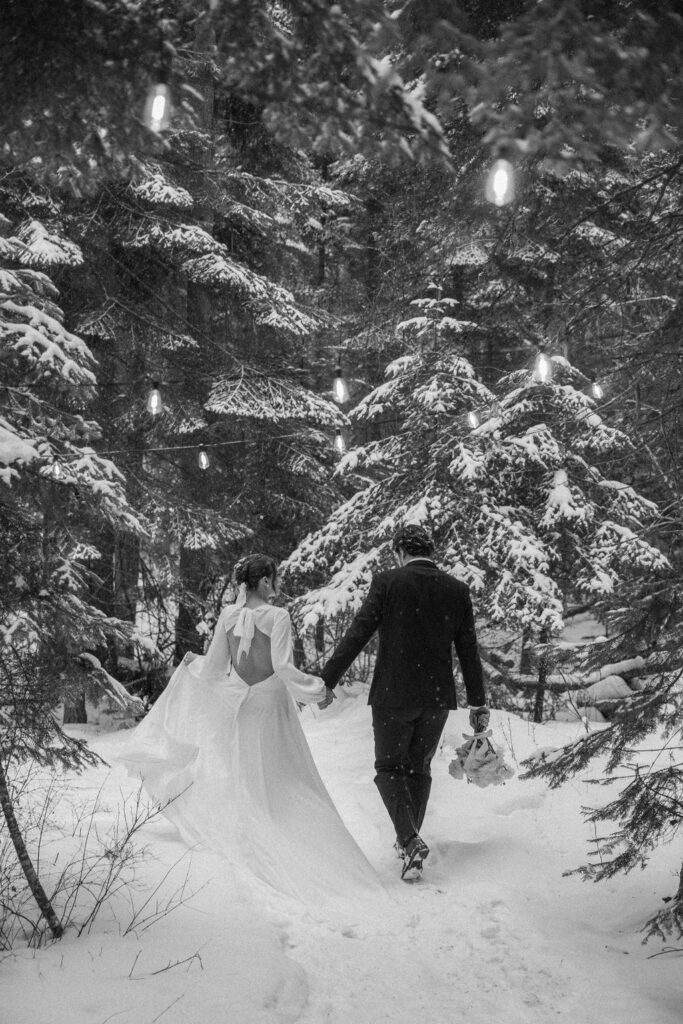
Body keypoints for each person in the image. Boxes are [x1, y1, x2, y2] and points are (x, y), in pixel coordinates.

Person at [115, 554, 378, 903]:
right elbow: (283, 667)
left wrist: (192, 669)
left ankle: (252, 829)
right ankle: (291, 833)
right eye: (276, 579)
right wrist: (317, 691)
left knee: (250, 777)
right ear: (266, 581)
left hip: (244, 708)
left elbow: (212, 671)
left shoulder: (228, 616)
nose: (278, 585)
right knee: (287, 777)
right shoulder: (277, 616)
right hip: (273, 709)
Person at [319, 524, 490, 881]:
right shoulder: (456, 590)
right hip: (436, 697)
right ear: (431, 551)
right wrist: (478, 703)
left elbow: (358, 632)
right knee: (418, 768)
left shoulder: (388, 583)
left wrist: (327, 680)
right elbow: (468, 650)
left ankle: (410, 840)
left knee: (388, 769)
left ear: (399, 552)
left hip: (393, 694)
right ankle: (409, 843)